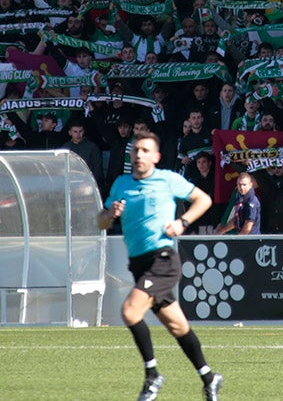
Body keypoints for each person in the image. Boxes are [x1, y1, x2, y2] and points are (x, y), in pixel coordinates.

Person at [98, 133, 222, 401]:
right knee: (178, 327)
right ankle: (209, 378)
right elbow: (100, 222)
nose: (139, 155)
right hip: (139, 264)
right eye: (135, 151)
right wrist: (110, 214)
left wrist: (182, 223)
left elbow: (204, 200)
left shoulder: (167, 179)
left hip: (163, 260)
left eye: (145, 150)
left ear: (156, 156)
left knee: (130, 312)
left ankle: (152, 374)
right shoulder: (121, 184)